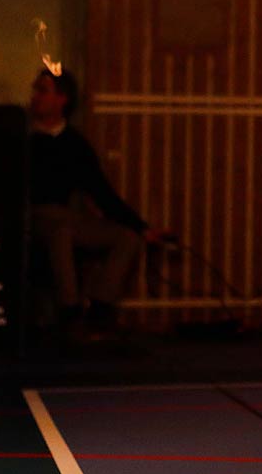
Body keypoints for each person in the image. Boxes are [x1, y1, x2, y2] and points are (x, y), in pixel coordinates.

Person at [27, 68, 164, 335]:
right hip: (36, 215)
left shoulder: (74, 144)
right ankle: (70, 311)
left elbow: (101, 192)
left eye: (43, 91)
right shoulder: (26, 140)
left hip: (66, 215)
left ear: (62, 99)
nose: (35, 97)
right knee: (61, 232)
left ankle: (100, 306)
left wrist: (141, 227)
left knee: (126, 238)